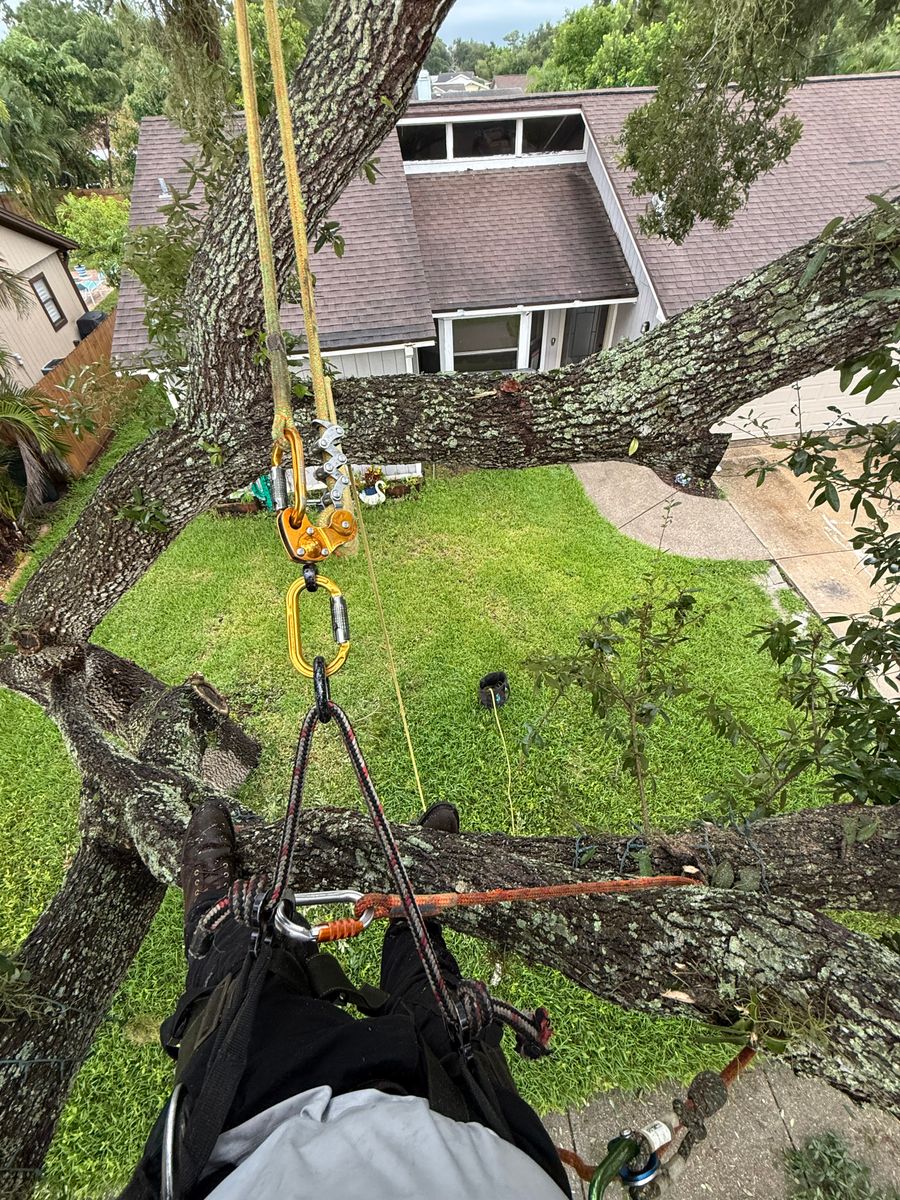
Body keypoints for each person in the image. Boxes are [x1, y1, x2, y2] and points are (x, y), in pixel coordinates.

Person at [122, 800, 572, 1199]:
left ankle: (216, 906)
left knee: (245, 970)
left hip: (250, 1122)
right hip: (474, 1127)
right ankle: (412, 918)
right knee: (429, 983)